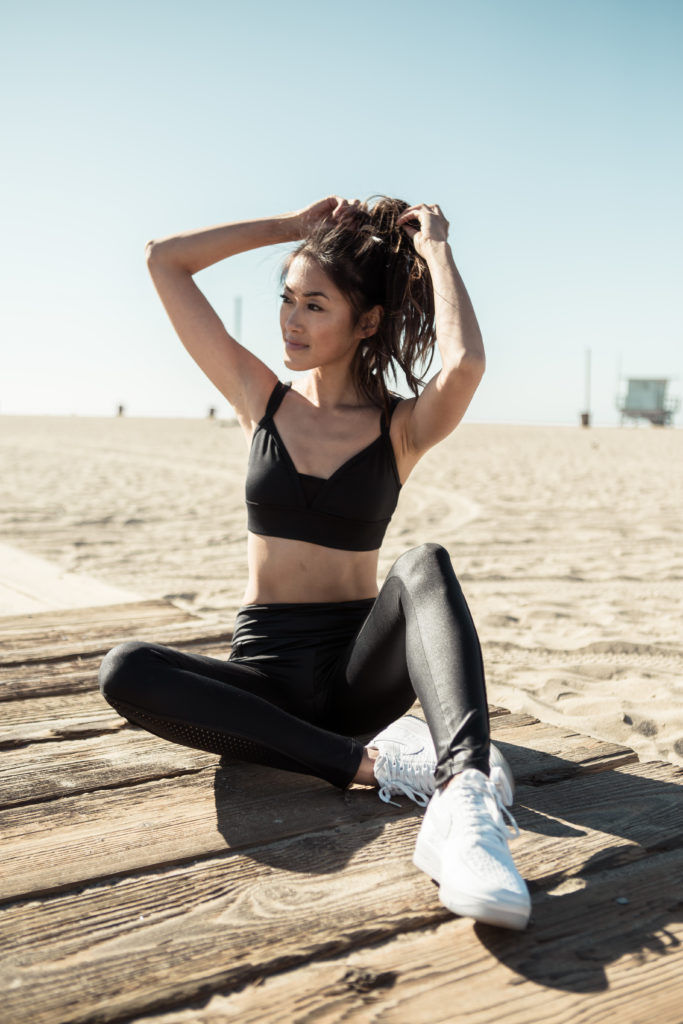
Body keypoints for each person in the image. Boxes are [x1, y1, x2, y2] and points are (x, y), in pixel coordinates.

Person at [98, 196, 530, 930]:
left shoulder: (399, 426)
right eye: (287, 300)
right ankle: (375, 768)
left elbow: (466, 363)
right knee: (125, 669)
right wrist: (293, 230)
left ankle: (462, 795)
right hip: (262, 678)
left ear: (366, 322)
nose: (291, 321)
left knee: (423, 560)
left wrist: (435, 251)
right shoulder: (259, 398)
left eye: (315, 305)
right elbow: (162, 260)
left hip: (357, 675)